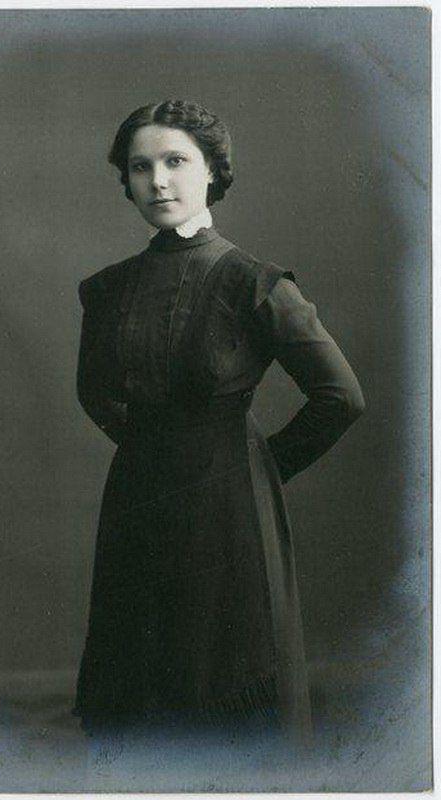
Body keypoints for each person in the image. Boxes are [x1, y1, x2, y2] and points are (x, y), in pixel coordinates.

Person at [71, 99, 365, 743]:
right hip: (136, 506)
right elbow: (93, 392)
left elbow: (340, 397)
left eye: (176, 161)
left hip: (230, 515)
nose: (158, 181)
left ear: (212, 171)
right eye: (141, 167)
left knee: (227, 697)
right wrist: (158, 451)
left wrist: (256, 469)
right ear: (127, 181)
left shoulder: (254, 282)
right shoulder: (107, 288)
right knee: (136, 699)